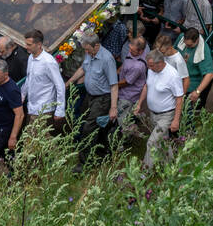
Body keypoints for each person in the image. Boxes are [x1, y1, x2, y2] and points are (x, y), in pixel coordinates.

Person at [68, 33, 119, 162]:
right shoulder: (89, 53)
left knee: (88, 128)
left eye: (87, 49)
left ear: (96, 45)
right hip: (90, 96)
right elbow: (83, 68)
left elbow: (114, 85)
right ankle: (104, 152)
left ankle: (83, 162)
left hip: (103, 98)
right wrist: (68, 83)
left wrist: (113, 107)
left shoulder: (107, 59)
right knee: (100, 126)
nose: (86, 52)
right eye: (85, 49)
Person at [136, 51, 183, 168]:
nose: (148, 67)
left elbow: (179, 98)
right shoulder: (151, 70)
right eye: (148, 65)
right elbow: (147, 86)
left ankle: (145, 172)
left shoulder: (172, 75)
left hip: (166, 115)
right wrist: (139, 104)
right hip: (153, 114)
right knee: (162, 141)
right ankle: (170, 165)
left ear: (160, 63)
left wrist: (176, 120)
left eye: (151, 65)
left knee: (152, 142)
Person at [22, 29, 66, 125]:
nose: (26, 47)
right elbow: (29, 78)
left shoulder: (48, 62)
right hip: (32, 107)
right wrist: (22, 95)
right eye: (26, 44)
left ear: (39, 45)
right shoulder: (31, 57)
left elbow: (60, 86)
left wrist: (60, 110)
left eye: (29, 45)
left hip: (44, 109)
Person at [180, 26, 213, 111]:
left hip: (191, 85)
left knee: (186, 113)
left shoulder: (203, 50)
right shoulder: (181, 37)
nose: (187, 47)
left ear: (197, 40)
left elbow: (209, 74)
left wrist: (197, 92)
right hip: (179, 81)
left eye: (190, 45)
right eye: (186, 44)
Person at [116, 35, 149, 128]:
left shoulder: (138, 66)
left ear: (141, 51)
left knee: (122, 121)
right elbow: (125, 63)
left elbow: (127, 82)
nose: (129, 51)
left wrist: (113, 85)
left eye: (132, 50)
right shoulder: (133, 52)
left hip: (128, 95)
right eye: (130, 48)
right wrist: (116, 73)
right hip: (123, 90)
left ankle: (128, 134)